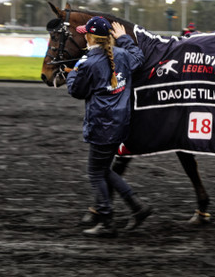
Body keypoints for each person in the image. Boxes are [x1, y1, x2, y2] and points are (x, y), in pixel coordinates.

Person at [65, 16, 152, 237]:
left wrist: (74, 71)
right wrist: (124, 39)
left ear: (88, 37)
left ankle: (106, 220)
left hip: (101, 127)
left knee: (95, 172)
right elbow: (138, 57)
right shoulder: (121, 55)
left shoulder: (88, 64)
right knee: (104, 170)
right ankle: (137, 207)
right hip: (120, 125)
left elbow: (76, 91)